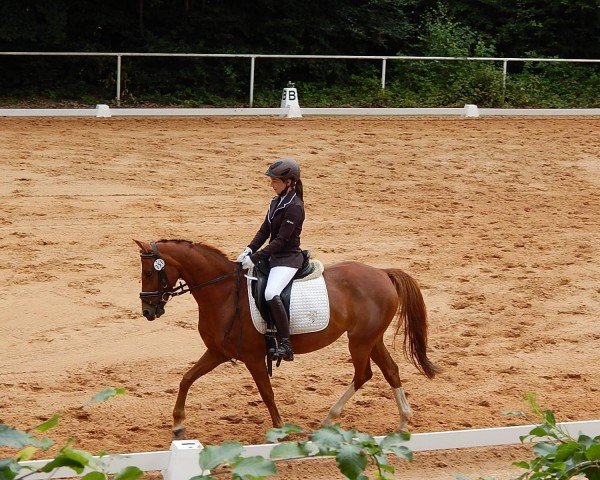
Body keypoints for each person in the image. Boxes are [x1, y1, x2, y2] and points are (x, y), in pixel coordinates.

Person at [236, 157, 305, 362]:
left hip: (288, 258)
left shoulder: (295, 206)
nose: (271, 185)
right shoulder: (276, 202)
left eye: (275, 181)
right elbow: (264, 230)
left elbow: (282, 241)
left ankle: (285, 343)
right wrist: (249, 249)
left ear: (289, 182)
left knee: (271, 292)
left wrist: (256, 258)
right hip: (273, 257)